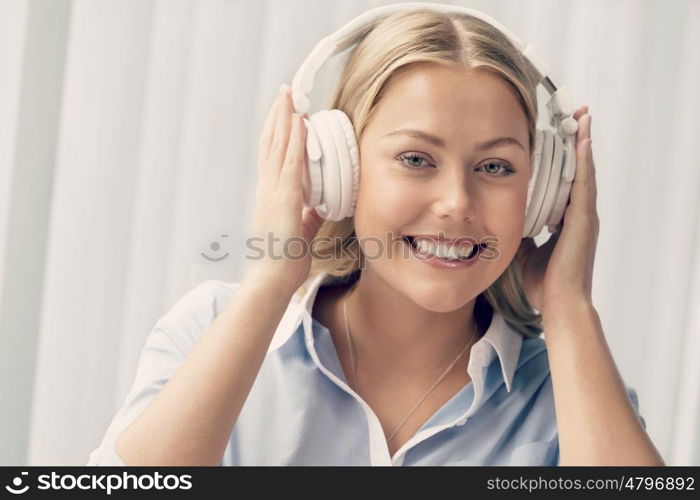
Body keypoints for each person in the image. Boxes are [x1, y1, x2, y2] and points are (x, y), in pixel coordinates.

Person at [86, 6, 664, 466]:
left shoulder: (572, 389)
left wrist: (569, 309)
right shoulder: (208, 330)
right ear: (336, 170)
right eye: (416, 158)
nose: (457, 203)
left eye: (495, 167)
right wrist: (271, 278)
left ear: (544, 194)